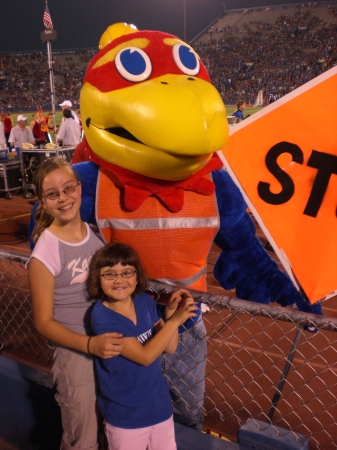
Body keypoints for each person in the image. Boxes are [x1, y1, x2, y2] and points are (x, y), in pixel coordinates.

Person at [27, 157, 124, 450]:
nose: (63, 198)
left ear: (79, 189)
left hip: (105, 347)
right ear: (43, 202)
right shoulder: (46, 250)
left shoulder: (95, 235)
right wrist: (89, 346)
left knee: (111, 432)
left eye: (68, 188)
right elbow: (43, 323)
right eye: (53, 194)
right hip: (76, 356)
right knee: (82, 439)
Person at [87, 242, 198, 450]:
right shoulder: (102, 316)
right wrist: (175, 322)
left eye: (127, 272)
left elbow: (170, 347)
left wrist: (170, 315)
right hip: (125, 416)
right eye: (109, 274)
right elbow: (145, 357)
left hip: (159, 408)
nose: (119, 280)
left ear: (137, 276)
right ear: (97, 278)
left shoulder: (144, 301)